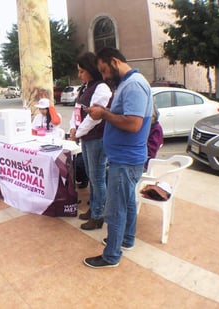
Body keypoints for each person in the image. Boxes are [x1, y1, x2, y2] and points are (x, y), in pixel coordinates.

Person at [83, 47, 152, 268]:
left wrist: (103, 114)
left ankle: (111, 255)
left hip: (125, 159)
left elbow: (133, 123)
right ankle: (126, 239)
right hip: (125, 157)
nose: (103, 76)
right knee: (128, 202)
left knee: (115, 209)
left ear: (114, 61)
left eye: (104, 70)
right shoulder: (128, 83)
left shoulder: (133, 85)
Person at [68, 52, 112, 230]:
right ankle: (93, 208)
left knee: (97, 178)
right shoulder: (85, 87)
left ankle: (98, 214)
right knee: (91, 176)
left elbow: (94, 117)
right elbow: (77, 111)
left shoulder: (101, 88)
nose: (79, 75)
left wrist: (77, 132)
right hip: (86, 138)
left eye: (81, 71)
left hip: (96, 139)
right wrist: (73, 127)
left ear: (91, 70)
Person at [145, 103, 163, 170]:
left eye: (152, 116)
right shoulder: (148, 127)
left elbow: (152, 150)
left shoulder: (156, 129)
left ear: (155, 117)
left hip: (146, 162)